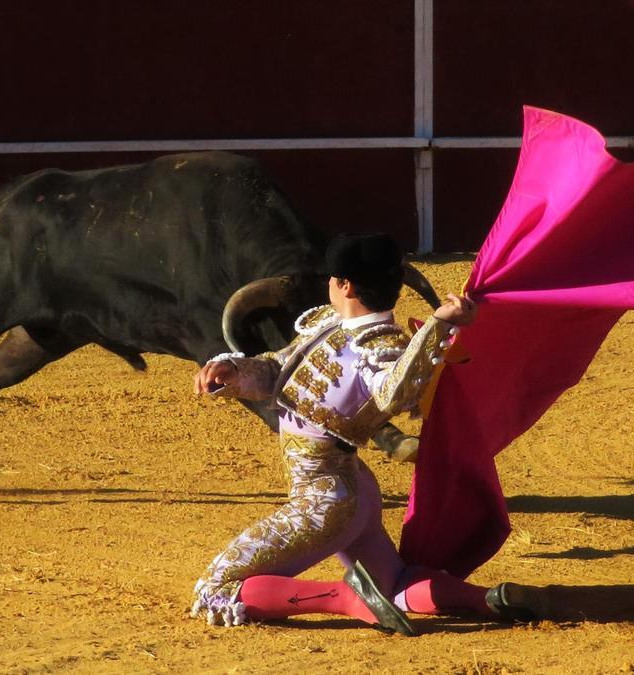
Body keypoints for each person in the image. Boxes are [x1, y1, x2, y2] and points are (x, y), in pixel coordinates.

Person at [189, 233, 546, 635]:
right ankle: (481, 598)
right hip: (352, 488)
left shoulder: (382, 345)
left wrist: (436, 326)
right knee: (391, 582)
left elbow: (395, 393)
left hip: (323, 499)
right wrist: (234, 373)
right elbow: (278, 371)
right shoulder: (331, 323)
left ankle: (345, 598)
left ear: (344, 284)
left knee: (214, 590)